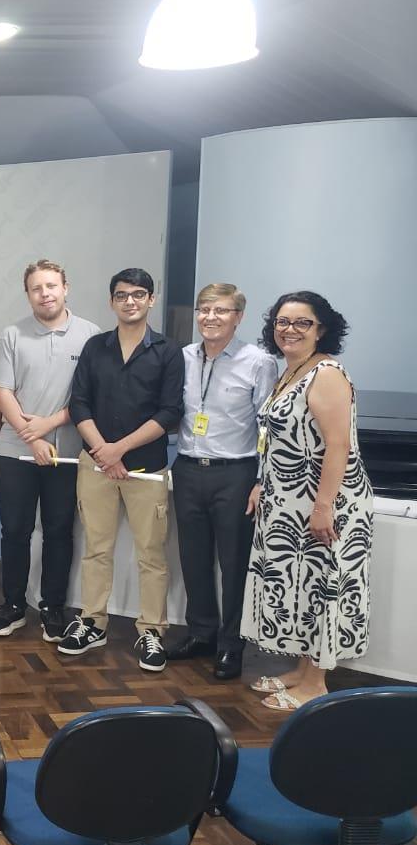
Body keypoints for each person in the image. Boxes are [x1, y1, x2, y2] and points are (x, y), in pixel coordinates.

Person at [243, 292, 372, 711]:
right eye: (283, 321)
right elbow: (281, 439)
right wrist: (263, 482)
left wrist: (322, 507)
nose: (290, 329)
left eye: (302, 322)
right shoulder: (293, 370)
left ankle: (315, 683)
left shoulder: (327, 373)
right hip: (289, 499)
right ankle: (302, 670)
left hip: (325, 503)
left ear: (321, 329)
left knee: (320, 585)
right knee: (301, 587)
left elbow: (338, 446)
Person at [60, 268, 184, 672]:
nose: (130, 301)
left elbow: (169, 412)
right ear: (112, 301)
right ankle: (92, 622)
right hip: (95, 465)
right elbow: (79, 403)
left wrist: (119, 450)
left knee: (151, 554)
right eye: (122, 295)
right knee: (96, 549)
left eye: (138, 294)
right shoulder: (96, 347)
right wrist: (102, 451)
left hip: (146, 468)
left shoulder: (168, 351)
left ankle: (151, 630)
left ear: (151, 299)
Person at [166, 284, 277, 680]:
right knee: (193, 558)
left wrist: (262, 479)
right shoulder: (182, 357)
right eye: (204, 309)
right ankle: (201, 633)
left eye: (221, 311)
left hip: (235, 473)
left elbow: (268, 426)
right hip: (188, 467)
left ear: (238, 317)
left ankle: (231, 645)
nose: (210, 317)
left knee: (233, 564)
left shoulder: (259, 362)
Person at [0, 260, 100, 642]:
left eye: (51, 286)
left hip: (66, 453)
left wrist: (49, 425)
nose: (45, 294)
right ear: (28, 294)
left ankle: (53, 607)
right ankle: (13, 605)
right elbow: (3, 392)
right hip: (15, 451)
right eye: (36, 288)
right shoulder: (12, 335)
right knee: (14, 531)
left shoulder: (90, 335)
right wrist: (32, 438)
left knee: (58, 531)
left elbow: (87, 397)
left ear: (65, 287)